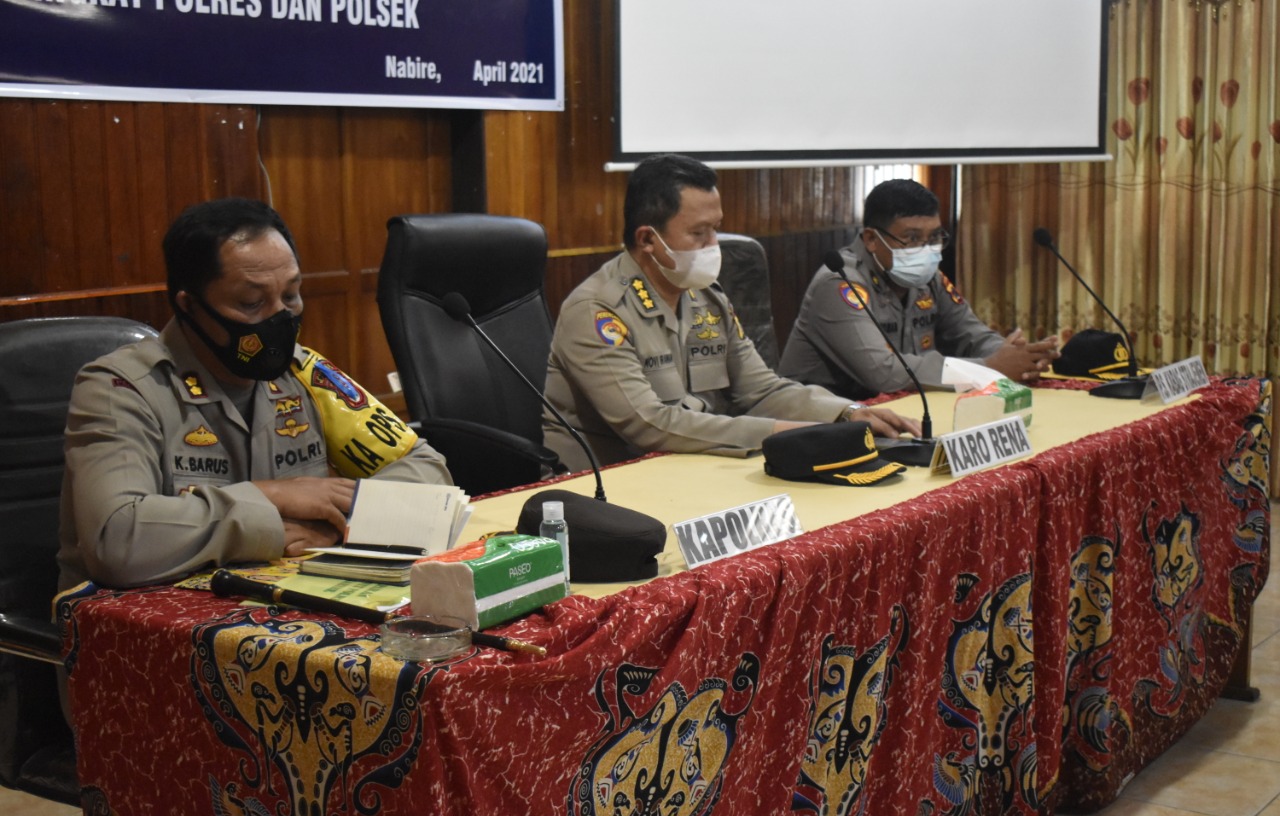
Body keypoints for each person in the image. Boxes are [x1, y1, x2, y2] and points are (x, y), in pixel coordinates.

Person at [57, 198, 452, 591]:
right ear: (190, 305)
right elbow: (117, 540)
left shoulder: (303, 373)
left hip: (283, 603)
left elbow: (427, 470)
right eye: (252, 302)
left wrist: (341, 521)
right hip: (140, 617)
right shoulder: (121, 388)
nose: (279, 317)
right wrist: (270, 500)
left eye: (291, 295)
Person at [541, 154, 920, 472]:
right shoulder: (597, 310)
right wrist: (783, 432)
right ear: (647, 239)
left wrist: (845, 413)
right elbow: (648, 425)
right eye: (699, 233)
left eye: (716, 229)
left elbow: (761, 389)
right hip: (604, 484)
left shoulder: (706, 297)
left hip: (693, 468)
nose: (714, 245)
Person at [778, 179, 1058, 400]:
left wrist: (1018, 358)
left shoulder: (929, 278)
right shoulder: (839, 283)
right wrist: (989, 368)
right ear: (871, 239)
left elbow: (970, 334)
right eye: (911, 238)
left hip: (901, 410)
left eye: (934, 237)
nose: (926, 249)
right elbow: (884, 373)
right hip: (824, 422)